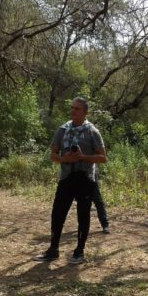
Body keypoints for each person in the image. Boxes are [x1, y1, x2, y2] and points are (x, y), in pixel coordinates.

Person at [34, 97, 107, 265]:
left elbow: (103, 158)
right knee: (57, 214)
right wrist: (63, 158)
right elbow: (52, 155)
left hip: (85, 178)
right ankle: (53, 250)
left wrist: (83, 157)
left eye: (77, 109)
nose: (73, 111)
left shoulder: (92, 131)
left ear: (85, 112)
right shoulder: (62, 130)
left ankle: (79, 251)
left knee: (83, 215)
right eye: (72, 108)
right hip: (67, 177)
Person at [92, 165, 110, 234]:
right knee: (83, 202)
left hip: (92, 175)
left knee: (98, 201)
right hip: (78, 174)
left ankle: (105, 225)